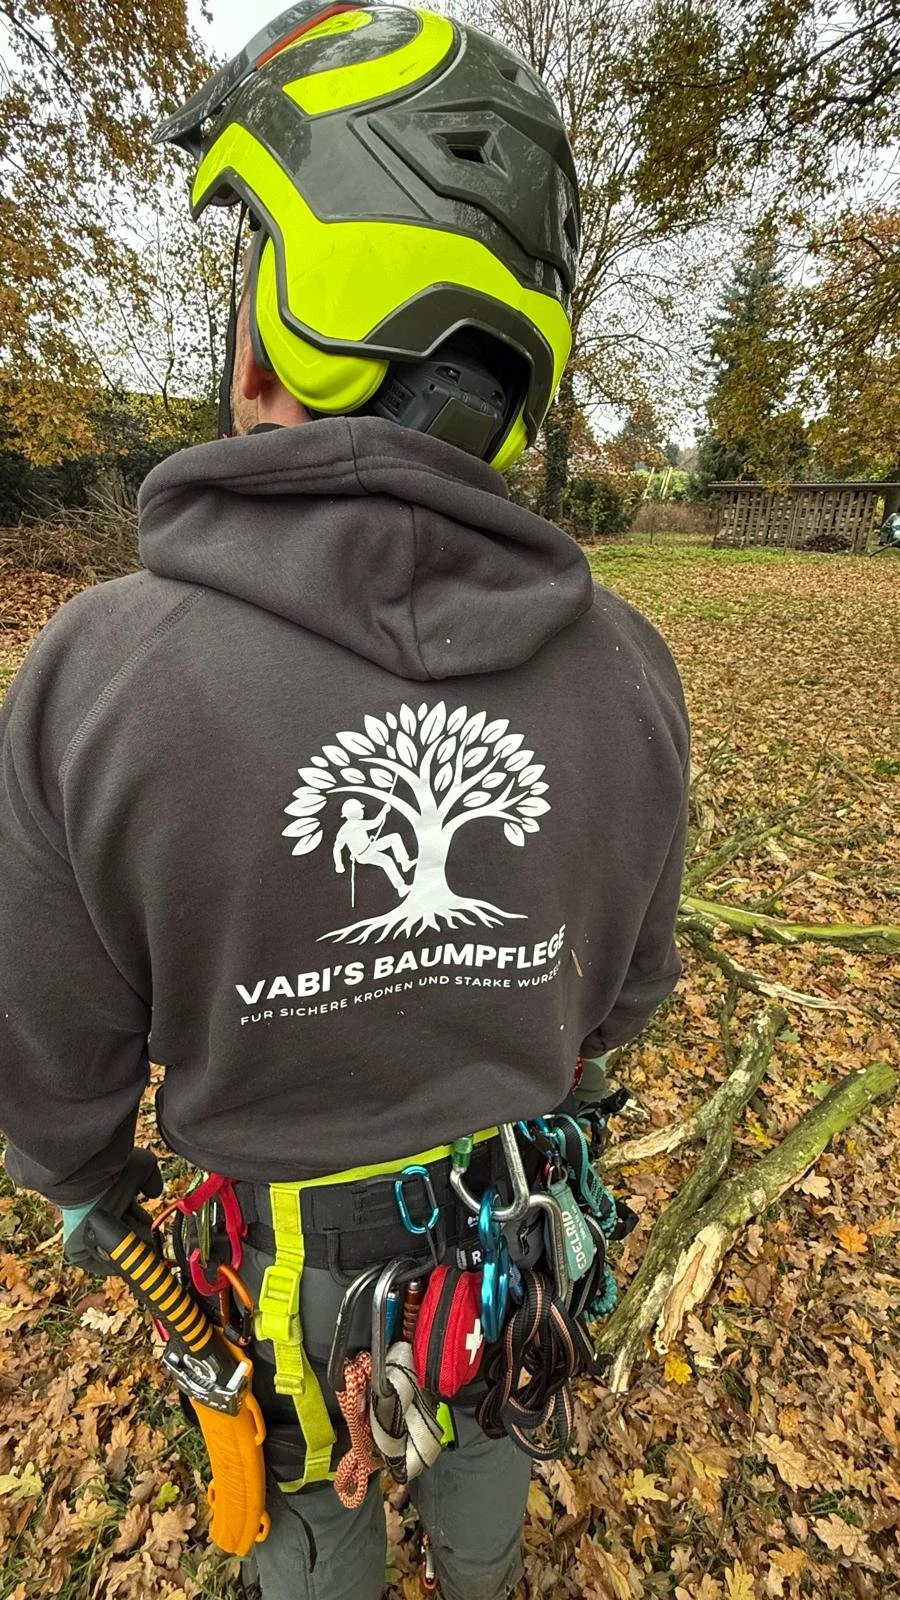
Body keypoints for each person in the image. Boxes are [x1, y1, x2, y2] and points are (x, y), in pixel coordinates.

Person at [0, 6, 690, 1598]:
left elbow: (51, 1073)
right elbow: (628, 996)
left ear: (282, 331)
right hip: (517, 1234)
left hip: (284, 1287)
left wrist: (92, 1185)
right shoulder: (630, 674)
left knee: (316, 1540)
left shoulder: (98, 680)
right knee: (491, 1477)